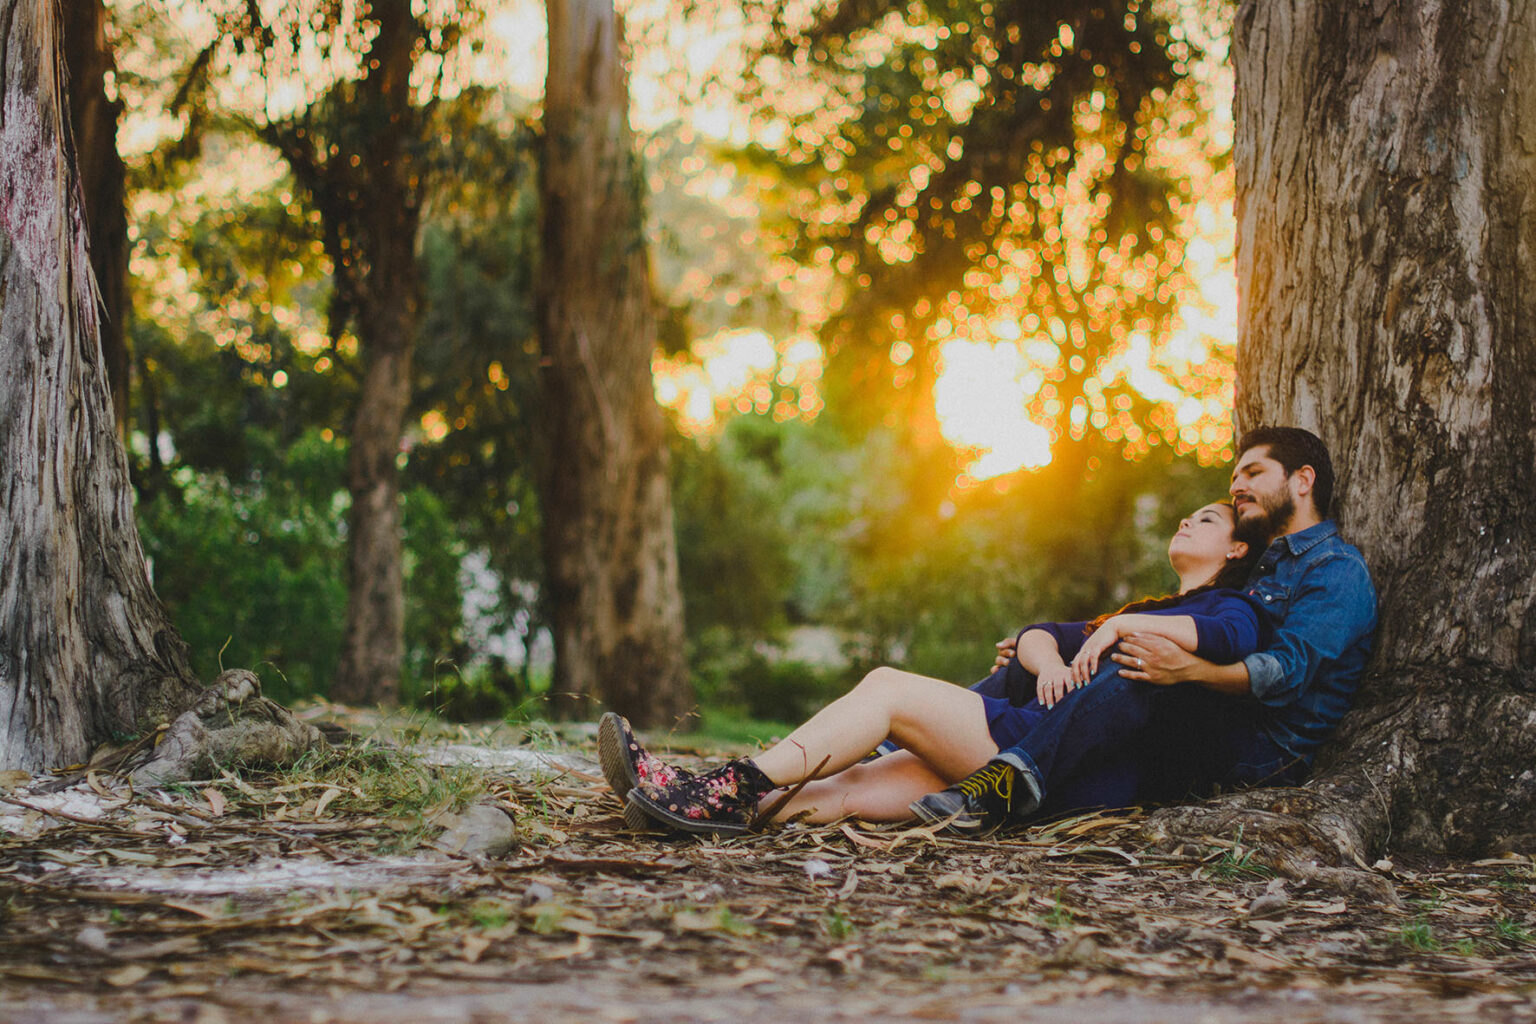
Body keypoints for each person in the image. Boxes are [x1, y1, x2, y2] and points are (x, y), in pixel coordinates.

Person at [600, 498, 1269, 836]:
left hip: (1048, 764)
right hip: (1015, 743)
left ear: (1236, 547)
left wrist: (1125, 627)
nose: (1186, 521)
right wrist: (1049, 663)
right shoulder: (1146, 606)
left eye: (1205, 519)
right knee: (855, 787)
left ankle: (725, 783)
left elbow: (1228, 635)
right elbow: (1040, 634)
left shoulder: (1230, 604)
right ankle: (686, 807)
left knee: (889, 688)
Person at [911, 426, 1378, 832]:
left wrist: (1189, 671)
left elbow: (1286, 672)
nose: (1237, 486)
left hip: (1267, 750)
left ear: (1303, 480)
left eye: (1253, 473)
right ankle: (900, 743)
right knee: (1056, 662)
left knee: (1143, 656)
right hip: (1214, 717)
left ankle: (1009, 782)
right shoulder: (1260, 568)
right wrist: (1056, 654)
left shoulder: (1335, 568)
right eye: (1234, 477)